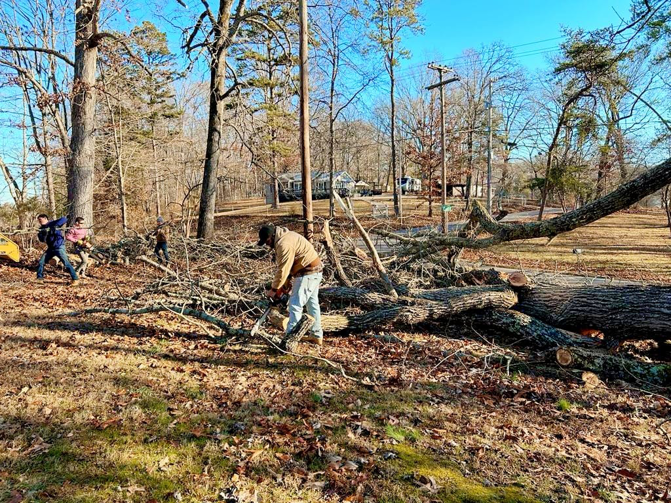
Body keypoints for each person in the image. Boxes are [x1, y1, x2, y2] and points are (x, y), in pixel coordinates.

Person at [258, 224, 323, 345]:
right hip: (313, 271)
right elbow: (288, 268)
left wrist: (274, 289)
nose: (267, 244)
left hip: (307, 272)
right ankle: (316, 335)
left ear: (271, 237)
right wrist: (284, 287)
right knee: (312, 304)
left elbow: (283, 270)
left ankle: (290, 338)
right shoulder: (285, 237)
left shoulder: (284, 244)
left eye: (266, 241)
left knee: (295, 305)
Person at [36, 214, 79, 284]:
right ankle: (39, 278)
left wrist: (55, 226)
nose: (39, 221)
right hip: (50, 248)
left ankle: (75, 279)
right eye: (38, 220)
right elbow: (42, 240)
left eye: (40, 219)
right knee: (41, 262)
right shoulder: (41, 229)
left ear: (45, 218)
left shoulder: (53, 223)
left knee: (66, 263)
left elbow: (63, 219)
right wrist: (44, 234)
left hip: (59, 247)